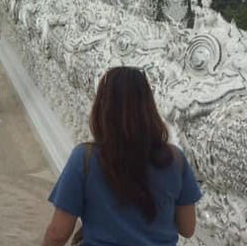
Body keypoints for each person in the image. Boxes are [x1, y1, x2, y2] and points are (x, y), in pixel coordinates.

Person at [42, 66, 202, 246]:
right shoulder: (174, 159)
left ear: (103, 107)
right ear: (149, 107)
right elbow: (187, 228)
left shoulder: (84, 158)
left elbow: (58, 233)